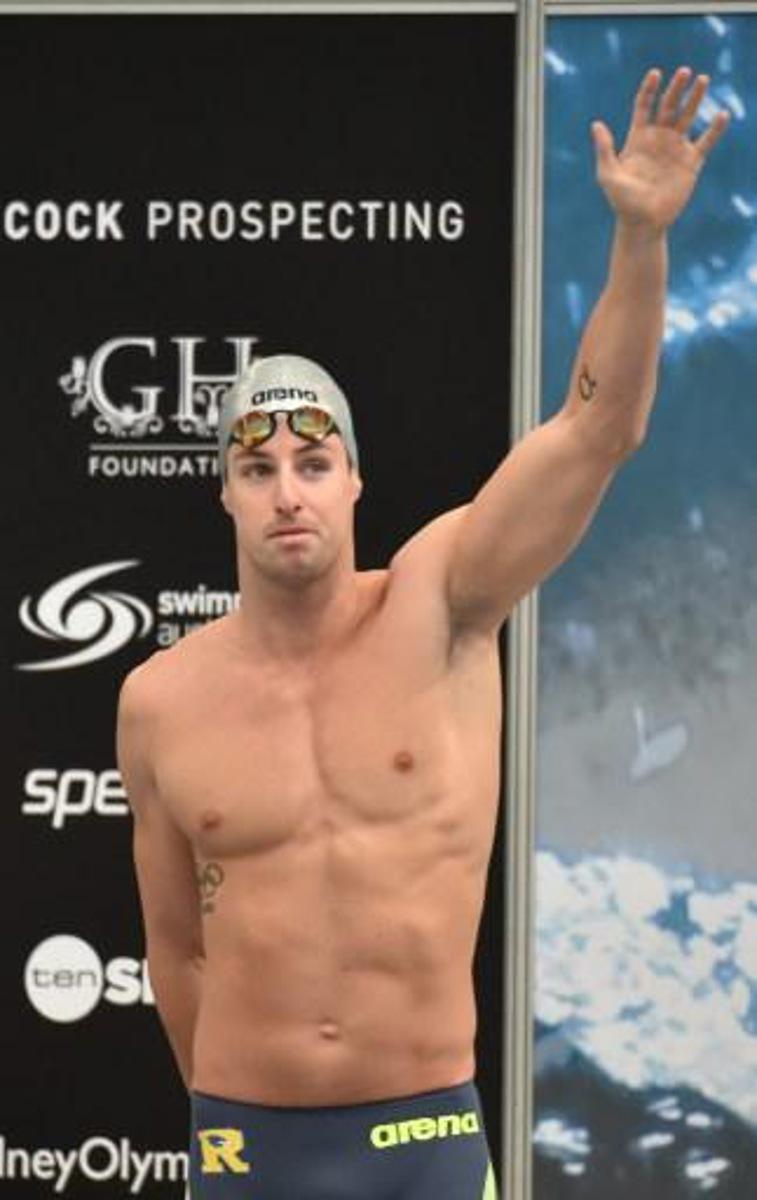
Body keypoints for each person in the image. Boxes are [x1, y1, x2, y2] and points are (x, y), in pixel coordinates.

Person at [116, 67, 728, 1200]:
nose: (287, 492)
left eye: (312, 462)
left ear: (354, 480)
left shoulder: (442, 600)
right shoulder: (161, 700)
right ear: (225, 497)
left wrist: (639, 238)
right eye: (257, 470)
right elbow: (173, 946)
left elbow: (599, 427)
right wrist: (225, 1129)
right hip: (247, 1149)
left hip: (423, 1146)